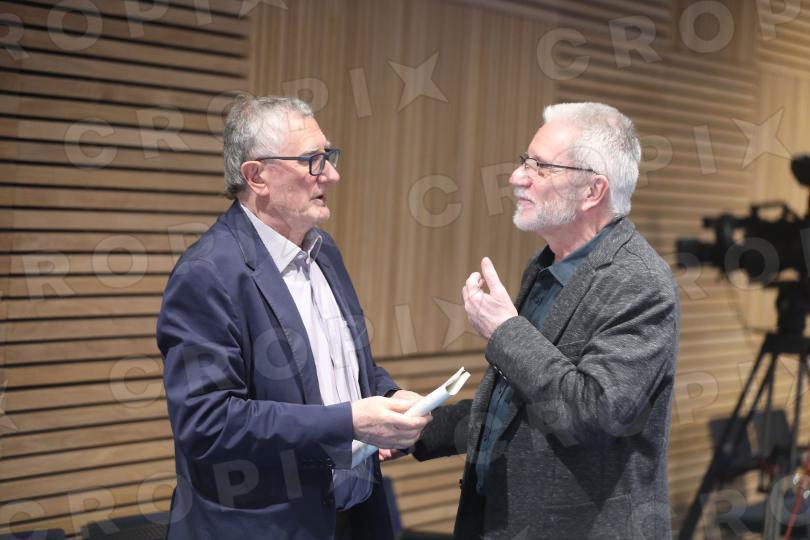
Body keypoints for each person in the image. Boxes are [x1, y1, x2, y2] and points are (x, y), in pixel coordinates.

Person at [157, 95, 430, 540]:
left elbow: (343, 367)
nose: (332, 175)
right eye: (313, 161)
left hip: (353, 519)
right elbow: (207, 424)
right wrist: (350, 422)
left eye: (329, 157)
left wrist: (390, 398)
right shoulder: (207, 274)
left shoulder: (324, 250)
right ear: (256, 176)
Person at [411, 102, 679, 539]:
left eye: (540, 166)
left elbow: (592, 414)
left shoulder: (639, 282)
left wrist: (504, 331)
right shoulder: (546, 265)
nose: (517, 177)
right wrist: (418, 428)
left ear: (592, 190)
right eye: (525, 161)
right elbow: (519, 406)